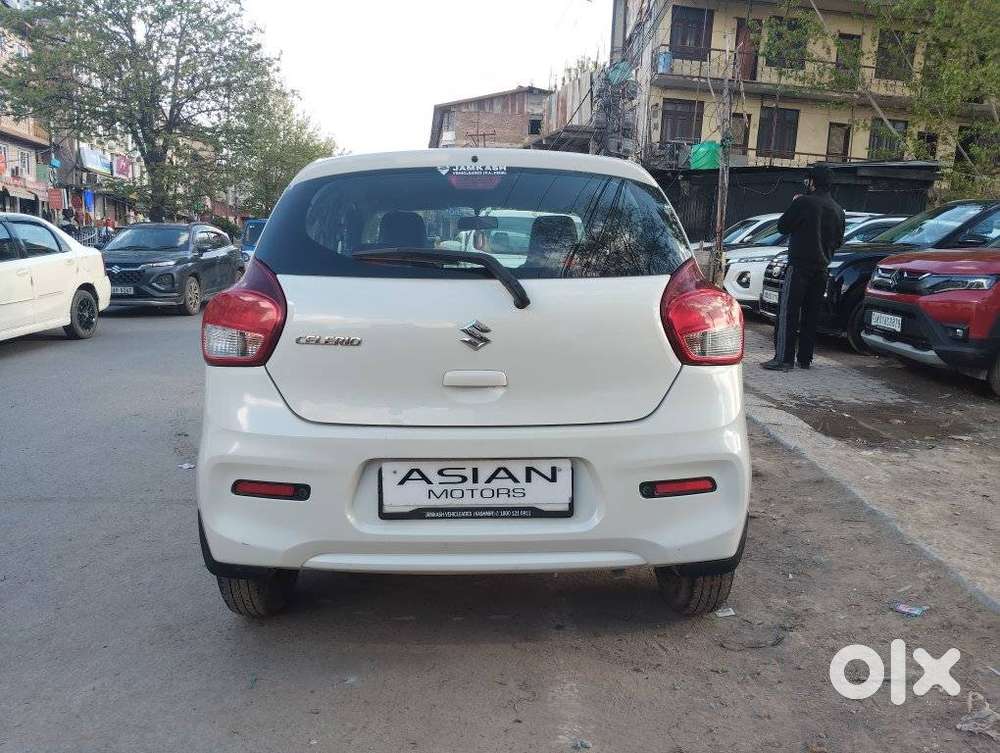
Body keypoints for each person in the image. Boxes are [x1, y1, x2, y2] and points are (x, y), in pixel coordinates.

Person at [761, 164, 845, 372]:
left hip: (799, 266)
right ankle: (805, 358)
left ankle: (784, 359)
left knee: (788, 313)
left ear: (813, 182)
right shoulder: (838, 210)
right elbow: (838, 241)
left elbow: (783, 226)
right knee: (811, 314)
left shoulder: (804, 202)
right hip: (822, 268)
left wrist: (795, 204)